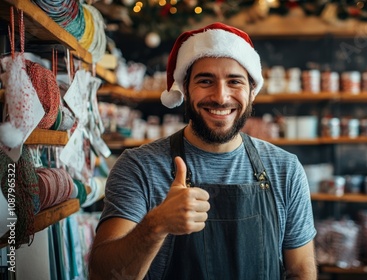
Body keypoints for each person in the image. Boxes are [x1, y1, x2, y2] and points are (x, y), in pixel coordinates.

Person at [89, 22, 317, 280]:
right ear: (185, 89)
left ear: (252, 92)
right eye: (206, 81)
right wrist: (157, 225)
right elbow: (103, 275)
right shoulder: (139, 167)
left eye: (235, 82)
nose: (221, 97)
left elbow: (300, 272)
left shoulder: (285, 170)